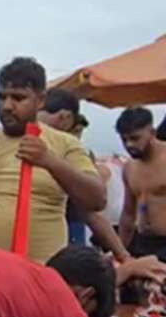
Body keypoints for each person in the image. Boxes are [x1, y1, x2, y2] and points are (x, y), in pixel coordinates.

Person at [0, 58, 106, 263]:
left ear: (40, 100)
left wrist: (50, 161)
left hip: (40, 272)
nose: (7, 106)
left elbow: (96, 199)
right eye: (2, 97)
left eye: (18, 98)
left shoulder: (65, 145)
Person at [37, 89, 130, 261]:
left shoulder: (71, 153)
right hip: (60, 240)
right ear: (65, 118)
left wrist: (121, 253)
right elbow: (93, 210)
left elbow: (92, 209)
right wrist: (123, 254)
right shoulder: (66, 150)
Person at [118, 107, 166, 261]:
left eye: (135, 138)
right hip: (143, 242)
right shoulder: (129, 168)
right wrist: (120, 250)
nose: (129, 144)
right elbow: (128, 214)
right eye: (124, 140)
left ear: (152, 133)